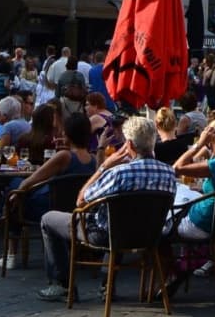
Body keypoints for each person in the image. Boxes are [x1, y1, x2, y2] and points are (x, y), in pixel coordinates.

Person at [37, 115, 176, 301]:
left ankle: (62, 285)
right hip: (150, 236)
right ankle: (106, 287)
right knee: (121, 219)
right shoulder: (169, 173)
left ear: (130, 145)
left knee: (48, 219)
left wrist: (104, 167)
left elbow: (81, 201)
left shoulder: (118, 173)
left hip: (109, 234)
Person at [0, 110, 97, 268]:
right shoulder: (92, 159)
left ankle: (5, 246)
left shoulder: (64, 156)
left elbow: (33, 178)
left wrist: (17, 194)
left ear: (66, 132)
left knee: (14, 192)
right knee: (16, 193)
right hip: (74, 208)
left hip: (51, 208)